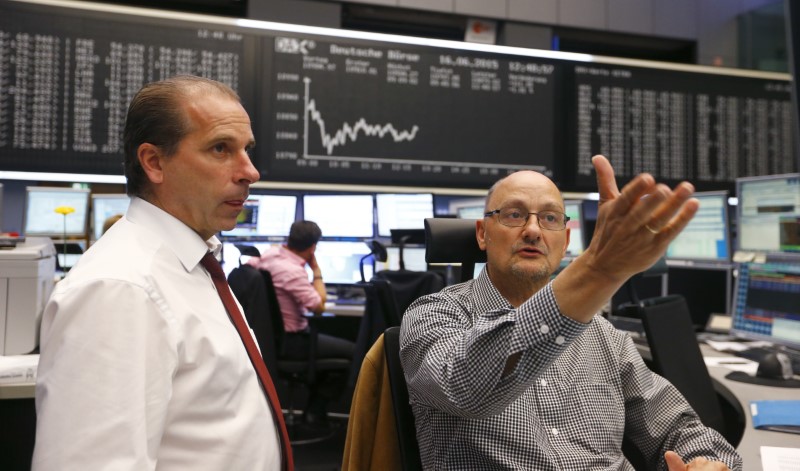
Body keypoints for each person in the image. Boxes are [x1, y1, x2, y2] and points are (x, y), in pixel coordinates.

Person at [399, 155, 742, 470]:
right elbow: (465, 387)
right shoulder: (434, 315)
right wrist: (598, 270)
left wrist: (706, 461)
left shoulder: (604, 336)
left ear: (564, 241)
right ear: (482, 233)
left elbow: (677, 427)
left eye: (549, 218)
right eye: (514, 214)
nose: (533, 230)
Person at [33, 76, 289, 470]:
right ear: (154, 162)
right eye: (221, 148)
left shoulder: (192, 262)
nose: (250, 172)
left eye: (247, 150)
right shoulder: (121, 288)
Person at [247, 220, 354, 425]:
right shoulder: (292, 271)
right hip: (293, 343)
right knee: (354, 352)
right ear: (313, 247)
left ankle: (312, 411)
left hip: (270, 340)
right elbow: (319, 307)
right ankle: (314, 412)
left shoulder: (268, 256)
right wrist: (316, 271)